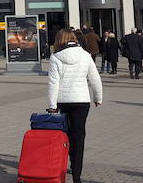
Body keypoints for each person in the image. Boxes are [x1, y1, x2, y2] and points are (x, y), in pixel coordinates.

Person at [46, 28, 103, 183]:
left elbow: (53, 83)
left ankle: (64, 164)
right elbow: (95, 78)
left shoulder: (55, 57)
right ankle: (77, 174)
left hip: (63, 101)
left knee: (65, 134)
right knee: (79, 136)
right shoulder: (85, 55)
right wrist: (98, 97)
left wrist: (52, 105)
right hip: (82, 101)